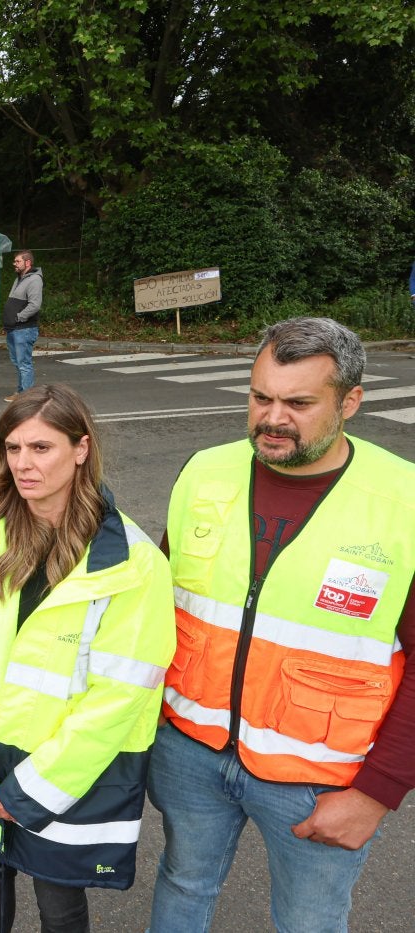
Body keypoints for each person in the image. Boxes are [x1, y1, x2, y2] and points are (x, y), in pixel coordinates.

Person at [148, 317, 415, 933]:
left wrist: (376, 793)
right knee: (183, 884)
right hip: (189, 752)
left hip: (321, 781)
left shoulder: (402, 503)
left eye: (298, 403)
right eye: (260, 397)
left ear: (349, 401)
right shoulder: (205, 472)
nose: (272, 419)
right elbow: (157, 610)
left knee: (310, 921)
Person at [0, 385, 175, 933]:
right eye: (12, 449)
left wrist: (33, 788)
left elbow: (121, 695)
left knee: (59, 902)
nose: (22, 465)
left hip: (64, 770)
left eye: (41, 448)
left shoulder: (134, 564)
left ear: (81, 448)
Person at [3, 252, 42, 402]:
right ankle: (21, 393)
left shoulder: (34, 280)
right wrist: (9, 323)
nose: (14, 263)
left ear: (27, 263)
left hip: (24, 329)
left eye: (17, 261)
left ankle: (27, 397)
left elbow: (35, 305)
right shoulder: (19, 279)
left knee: (24, 364)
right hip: (14, 329)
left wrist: (18, 318)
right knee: (18, 363)